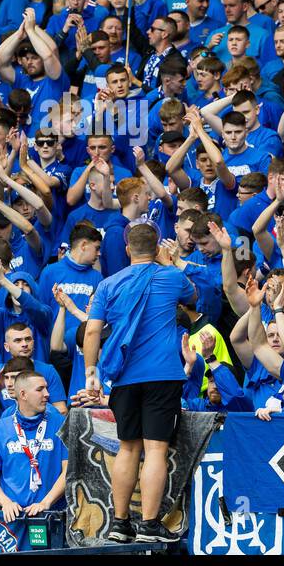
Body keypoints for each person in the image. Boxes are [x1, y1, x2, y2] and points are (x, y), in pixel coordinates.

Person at [83, 223, 198, 543]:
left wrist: (91, 373)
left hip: (123, 377)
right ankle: (149, 524)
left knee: (128, 447)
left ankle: (119, 524)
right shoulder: (172, 277)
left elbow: (92, 332)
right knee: (156, 449)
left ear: (127, 249)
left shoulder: (108, 284)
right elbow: (195, 296)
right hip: (162, 375)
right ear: (157, 247)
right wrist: (166, 260)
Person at [0, 369, 68, 522]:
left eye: (46, 388)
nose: (47, 394)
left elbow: (69, 470)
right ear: (23, 394)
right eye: (40, 389)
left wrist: (46, 502)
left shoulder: (61, 424)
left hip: (53, 515)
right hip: (14, 517)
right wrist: (6, 503)